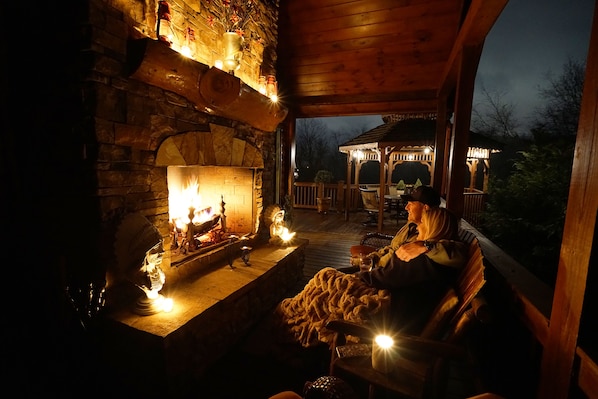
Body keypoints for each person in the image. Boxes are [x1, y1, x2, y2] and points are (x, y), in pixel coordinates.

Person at [274, 206, 467, 347]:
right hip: (392, 299)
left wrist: (358, 277)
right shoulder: (433, 256)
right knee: (325, 282)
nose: (418, 226)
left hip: (390, 315)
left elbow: (386, 277)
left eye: (423, 223)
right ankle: (293, 314)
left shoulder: (423, 258)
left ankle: (286, 318)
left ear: (434, 227)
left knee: (325, 277)